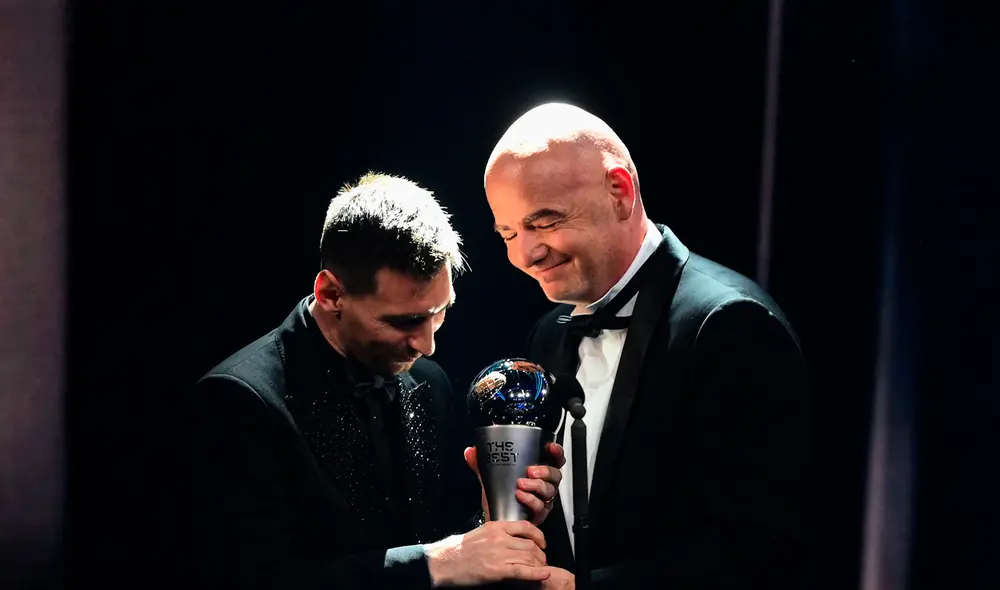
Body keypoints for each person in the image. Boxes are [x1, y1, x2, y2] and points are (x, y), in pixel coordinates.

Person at [482, 103, 816, 588]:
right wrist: (522, 512)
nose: (524, 255)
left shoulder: (729, 325)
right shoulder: (549, 333)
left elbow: (762, 550)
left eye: (545, 222)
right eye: (508, 233)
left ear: (619, 192)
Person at [189, 172, 568, 588]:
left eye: (439, 312)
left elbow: (447, 539)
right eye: (405, 321)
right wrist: (437, 562)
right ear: (331, 294)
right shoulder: (239, 401)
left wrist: (493, 518)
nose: (427, 345)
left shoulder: (428, 381)